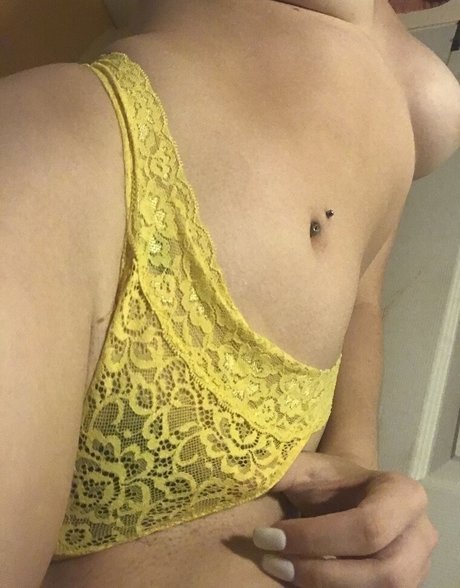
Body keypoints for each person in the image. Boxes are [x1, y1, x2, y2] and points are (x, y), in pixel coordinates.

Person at [1, 1, 459, 586]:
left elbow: (364, 291)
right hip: (93, 197)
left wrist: (354, 466)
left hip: (286, 418)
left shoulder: (408, 57)